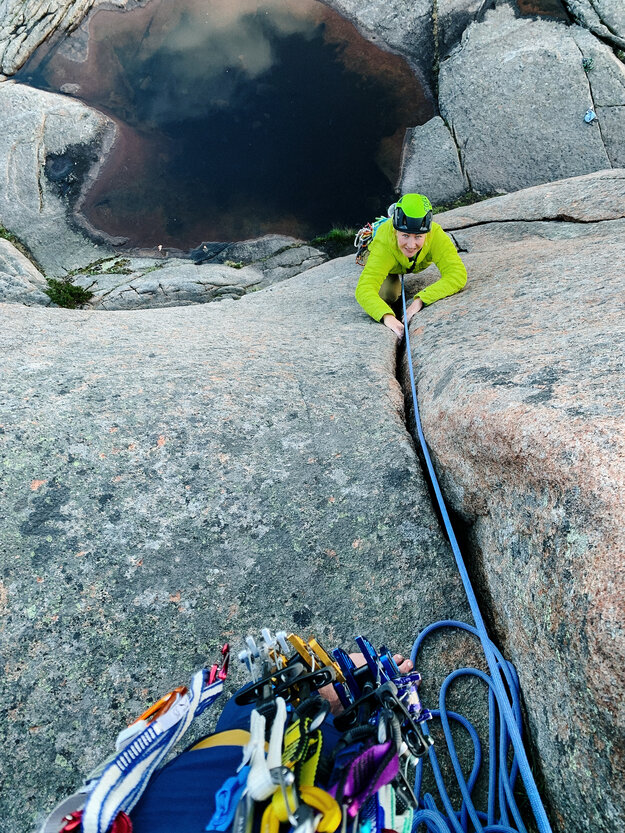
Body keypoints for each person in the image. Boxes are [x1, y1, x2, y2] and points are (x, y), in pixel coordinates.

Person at [355, 193, 467, 339]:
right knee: (388, 294)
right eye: (405, 235)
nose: (411, 245)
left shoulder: (436, 236)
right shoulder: (384, 244)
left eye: (418, 236)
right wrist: (387, 317)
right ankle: (385, 224)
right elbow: (364, 289)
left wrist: (420, 300)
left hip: (403, 262)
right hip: (388, 259)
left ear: (427, 232)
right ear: (395, 231)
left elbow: (457, 274)